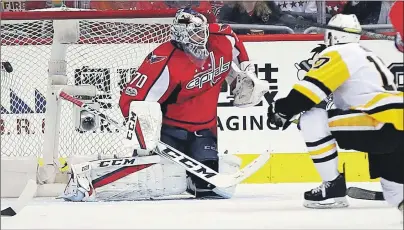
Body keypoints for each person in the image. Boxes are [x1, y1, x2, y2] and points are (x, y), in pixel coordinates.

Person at [60, 7, 269, 202]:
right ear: (181, 34)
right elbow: (129, 100)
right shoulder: (162, 61)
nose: (202, 37)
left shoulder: (220, 38)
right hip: (170, 131)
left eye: (203, 31)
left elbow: (234, 40)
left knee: (207, 188)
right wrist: (144, 132)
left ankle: (188, 176)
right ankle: (84, 184)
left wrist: (246, 70)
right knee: (152, 178)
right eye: (195, 33)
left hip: (205, 129)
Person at [267, 13, 403, 211]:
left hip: (379, 121)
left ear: (332, 35)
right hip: (397, 121)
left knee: (312, 118)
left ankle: (333, 188)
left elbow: (308, 93)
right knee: (394, 189)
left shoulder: (339, 52)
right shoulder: (368, 53)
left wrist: (282, 111)